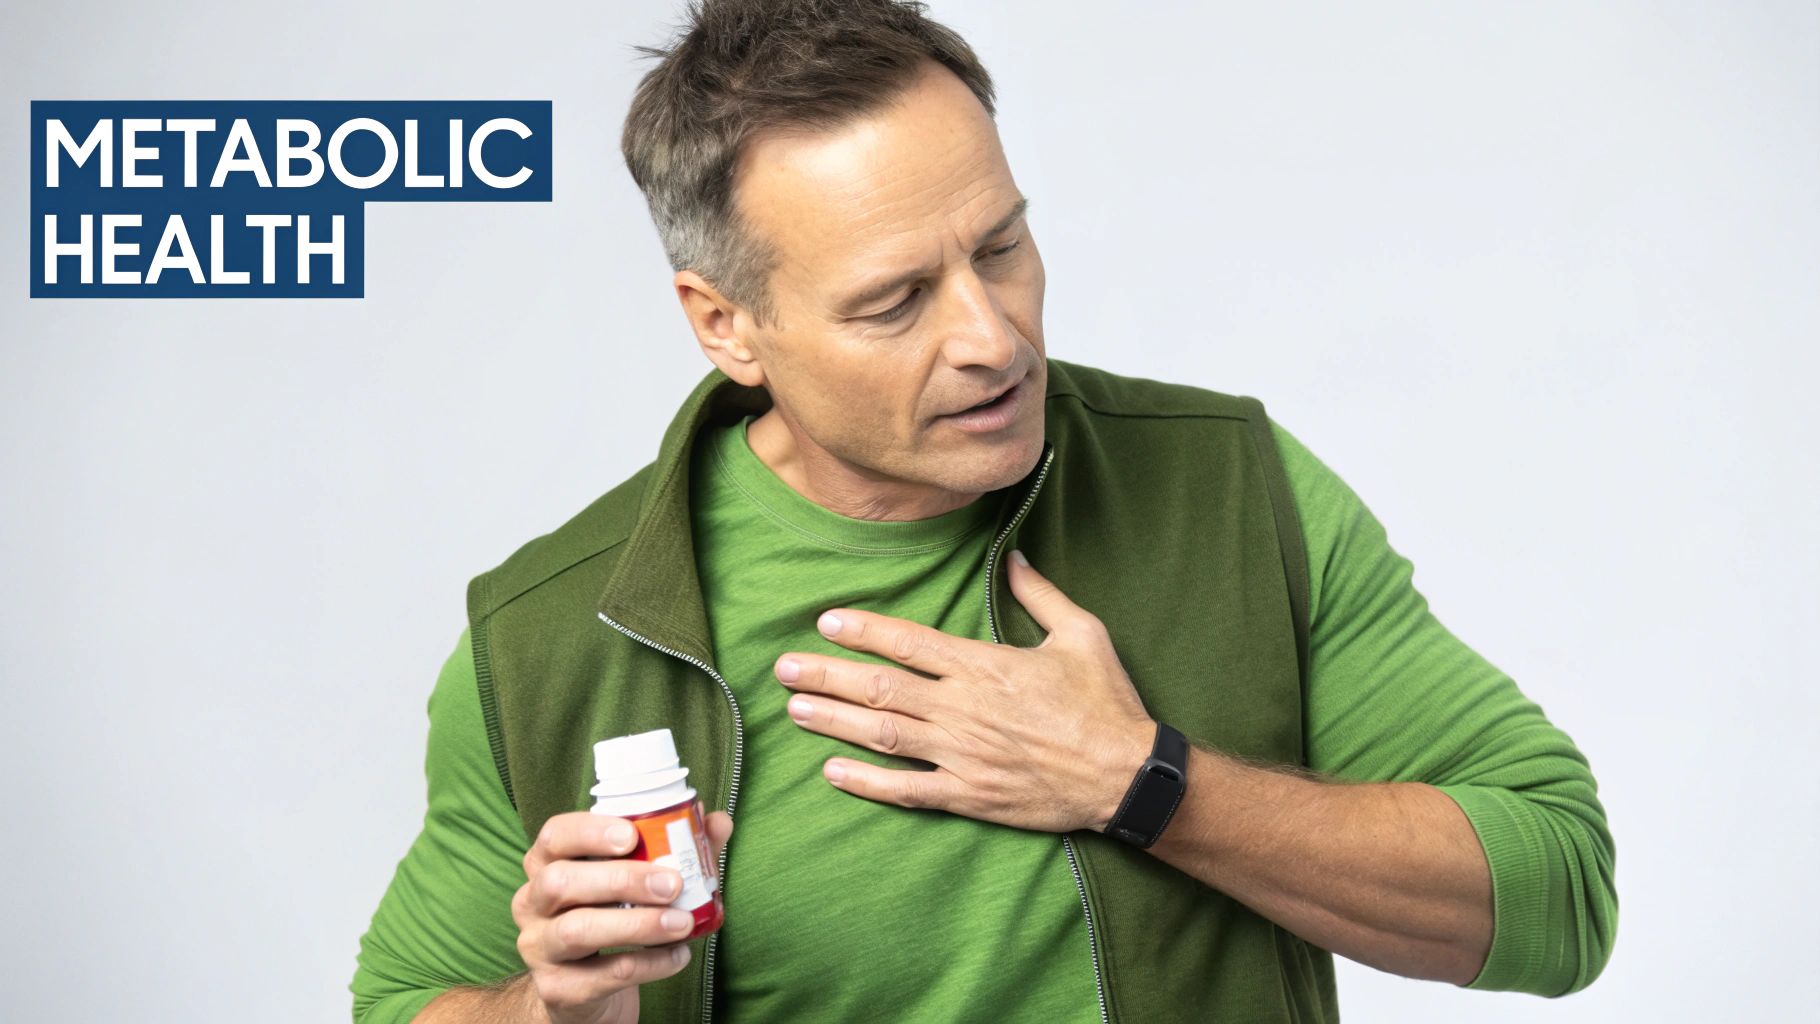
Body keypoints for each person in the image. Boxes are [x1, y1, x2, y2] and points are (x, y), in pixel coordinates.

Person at [349, 1, 1618, 1021]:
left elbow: (1555, 890)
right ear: (724, 324)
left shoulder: (1227, 487)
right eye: (895, 301)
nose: (991, 335)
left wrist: (1141, 780)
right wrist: (554, 1012)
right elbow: (405, 1004)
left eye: (999, 246)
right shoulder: (550, 637)